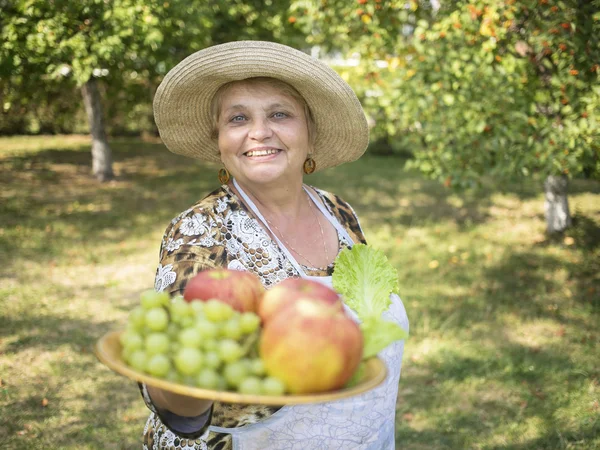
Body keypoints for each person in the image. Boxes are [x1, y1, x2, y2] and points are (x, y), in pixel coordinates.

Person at [140, 40, 409, 450]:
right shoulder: (198, 230)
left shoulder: (338, 211)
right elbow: (176, 399)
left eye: (279, 114)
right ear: (220, 141)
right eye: (238, 118)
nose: (259, 132)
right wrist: (185, 382)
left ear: (310, 133)